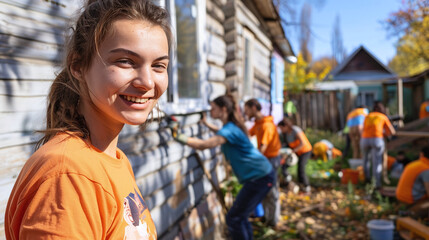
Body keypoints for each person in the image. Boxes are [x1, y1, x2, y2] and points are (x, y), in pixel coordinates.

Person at [5, 1, 172, 239]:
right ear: (78, 65)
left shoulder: (113, 159)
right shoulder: (69, 175)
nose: (146, 82)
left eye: (159, 65)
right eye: (125, 61)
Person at [171, 95, 275, 240]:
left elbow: (203, 145)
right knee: (240, 217)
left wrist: (178, 136)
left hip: (260, 177)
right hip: (260, 175)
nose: (210, 110)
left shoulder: (230, 130)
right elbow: (221, 133)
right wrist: (207, 124)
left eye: (213, 108)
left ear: (223, 109)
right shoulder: (230, 127)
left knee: (235, 218)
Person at [244, 98, 281, 227]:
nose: (246, 113)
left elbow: (262, 149)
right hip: (264, 159)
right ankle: (266, 217)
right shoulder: (259, 123)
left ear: (254, 108)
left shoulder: (267, 125)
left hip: (270, 160)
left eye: (247, 110)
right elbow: (248, 133)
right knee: (265, 188)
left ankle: (274, 220)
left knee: (272, 189)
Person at [361, 101, 396, 189]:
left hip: (364, 139)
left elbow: (363, 128)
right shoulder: (382, 116)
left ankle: (366, 179)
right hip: (377, 139)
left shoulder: (368, 116)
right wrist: (384, 134)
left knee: (365, 160)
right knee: (377, 162)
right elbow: (391, 132)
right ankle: (377, 184)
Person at [278, 118, 312, 193]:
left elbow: (302, 143)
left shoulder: (295, 130)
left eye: (281, 128)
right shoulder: (285, 134)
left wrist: (293, 151)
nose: (281, 130)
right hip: (295, 152)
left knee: (301, 168)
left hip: (305, 151)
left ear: (286, 126)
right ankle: (289, 182)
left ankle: (306, 186)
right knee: (284, 166)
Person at [396, 146, 429, 217]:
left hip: (401, 199)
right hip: (411, 202)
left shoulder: (414, 164)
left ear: (422, 154)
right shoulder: (426, 170)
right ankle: (410, 214)